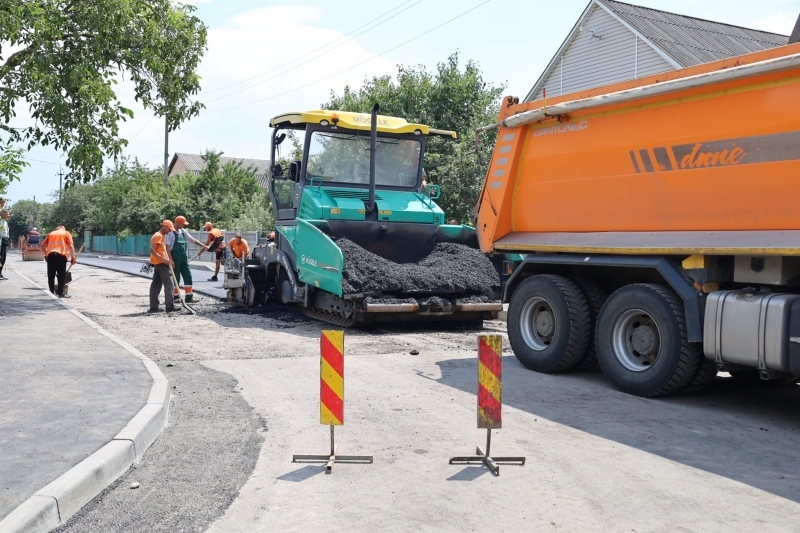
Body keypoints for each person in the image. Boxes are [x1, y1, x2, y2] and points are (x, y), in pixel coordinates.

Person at [166, 216, 205, 303]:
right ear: (178, 223)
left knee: (188, 275)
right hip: (175, 257)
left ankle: (189, 297)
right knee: (176, 277)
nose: (184, 225)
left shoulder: (183, 232)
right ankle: (176, 297)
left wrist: (204, 246)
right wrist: (171, 260)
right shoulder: (170, 233)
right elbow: (167, 247)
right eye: (183, 224)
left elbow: (193, 240)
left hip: (184, 257)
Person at [149, 220, 177, 313]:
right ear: (165, 227)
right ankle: (169, 306)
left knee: (156, 285)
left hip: (157, 263)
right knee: (168, 284)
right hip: (160, 263)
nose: (170, 231)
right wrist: (164, 260)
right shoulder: (158, 236)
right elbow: (152, 250)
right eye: (169, 229)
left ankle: (154, 307)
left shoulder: (159, 236)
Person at [41, 225, 76, 296]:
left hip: (50, 256)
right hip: (61, 256)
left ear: (57, 229)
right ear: (63, 228)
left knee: (51, 275)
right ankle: (61, 292)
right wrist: (73, 258)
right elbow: (71, 246)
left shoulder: (51, 234)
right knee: (61, 275)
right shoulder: (66, 233)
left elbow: (42, 245)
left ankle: (51, 291)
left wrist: (46, 255)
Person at [0, 209, 10, 280]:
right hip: (0, 242)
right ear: (2, 214)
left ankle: (0, 273)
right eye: (7, 214)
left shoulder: (5, 222)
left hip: (4, 242)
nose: (8, 216)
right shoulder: (0, 222)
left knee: (3, 258)